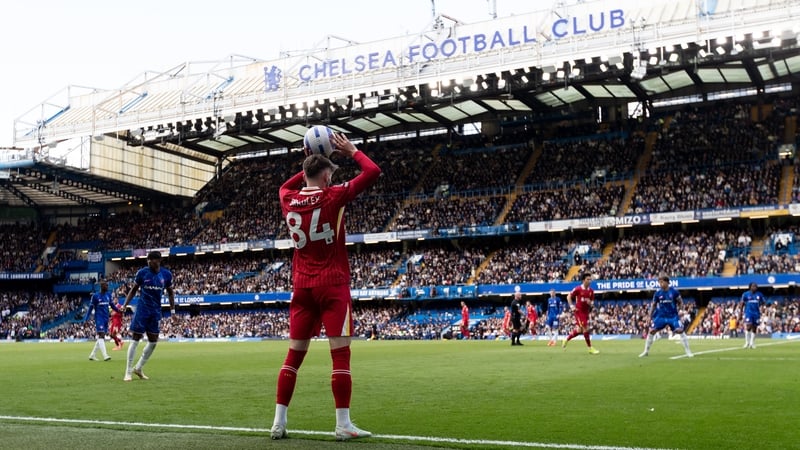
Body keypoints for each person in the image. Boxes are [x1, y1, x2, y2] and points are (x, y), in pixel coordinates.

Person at [271, 132, 381, 441]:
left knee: (293, 356)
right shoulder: (333, 196)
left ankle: (279, 422)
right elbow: (373, 172)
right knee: (340, 356)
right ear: (325, 175)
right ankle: (343, 424)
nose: (333, 178)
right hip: (332, 286)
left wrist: (310, 161)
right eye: (330, 174)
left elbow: (290, 183)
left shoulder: (287, 197)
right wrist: (351, 151)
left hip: (302, 288)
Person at [120, 251, 175, 381]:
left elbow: (170, 293)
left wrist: (173, 312)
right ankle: (127, 372)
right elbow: (133, 290)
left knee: (153, 341)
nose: (148, 262)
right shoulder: (142, 273)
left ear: (158, 260)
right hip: (142, 309)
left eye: (151, 260)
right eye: (148, 261)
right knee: (136, 338)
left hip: (156, 311)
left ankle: (138, 368)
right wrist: (125, 305)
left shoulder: (166, 275)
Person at [639, 275, 693, 358]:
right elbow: (653, 305)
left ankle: (688, 351)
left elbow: (680, 302)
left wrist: (681, 310)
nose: (660, 284)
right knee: (652, 331)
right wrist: (649, 316)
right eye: (659, 282)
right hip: (661, 316)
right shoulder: (657, 293)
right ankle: (646, 351)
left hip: (673, 316)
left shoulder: (674, 292)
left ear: (667, 282)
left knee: (680, 330)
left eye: (662, 282)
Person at [563, 273, 600, 354]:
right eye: (588, 279)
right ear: (583, 280)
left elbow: (592, 303)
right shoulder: (578, 289)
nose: (590, 281)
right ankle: (590, 348)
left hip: (586, 312)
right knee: (585, 328)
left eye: (590, 279)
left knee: (579, 330)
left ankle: (566, 339)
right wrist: (572, 306)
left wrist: (590, 302)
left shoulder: (591, 291)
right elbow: (568, 296)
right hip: (578, 312)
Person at [85, 280, 118, 361]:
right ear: (102, 286)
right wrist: (86, 318)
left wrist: (118, 310)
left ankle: (92, 355)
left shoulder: (108, 295)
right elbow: (90, 308)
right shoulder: (95, 296)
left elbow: (112, 305)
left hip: (106, 318)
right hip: (99, 318)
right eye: (106, 285)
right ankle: (105, 355)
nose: (107, 287)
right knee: (101, 335)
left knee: (101, 337)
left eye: (107, 285)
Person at [740, 282, 765, 349]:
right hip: (748, 312)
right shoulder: (745, 294)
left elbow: (763, 303)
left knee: (754, 328)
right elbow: (742, 303)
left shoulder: (759, 294)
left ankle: (752, 343)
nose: (755, 287)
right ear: (750, 287)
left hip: (756, 313)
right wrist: (740, 313)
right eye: (753, 286)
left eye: (756, 286)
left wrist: (762, 309)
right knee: (748, 326)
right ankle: (746, 342)